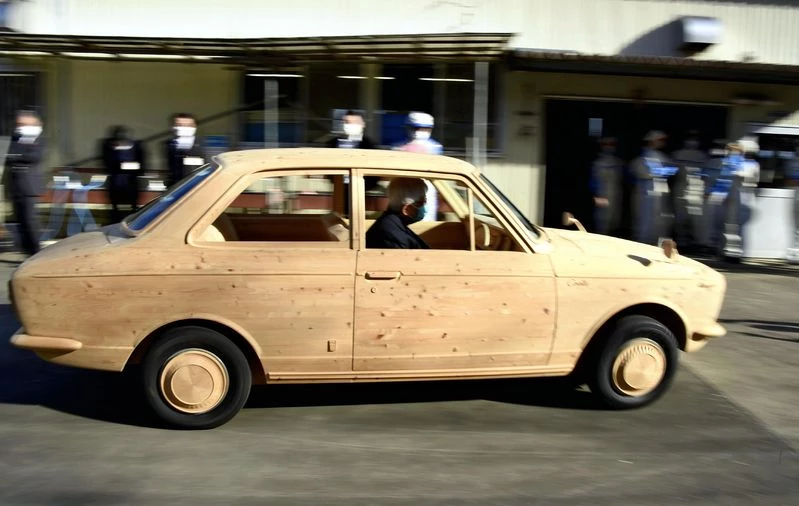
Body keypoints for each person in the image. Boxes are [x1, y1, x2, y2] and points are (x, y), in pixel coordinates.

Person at [5, 110, 46, 256]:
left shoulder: (39, 138)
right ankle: (26, 251)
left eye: (23, 123)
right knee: (21, 221)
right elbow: (8, 155)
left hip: (30, 186)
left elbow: (35, 157)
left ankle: (36, 252)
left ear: (33, 122)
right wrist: (19, 156)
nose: (19, 126)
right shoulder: (16, 137)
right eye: (18, 123)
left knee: (30, 221)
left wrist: (17, 156)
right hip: (16, 185)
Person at [631, 131, 678, 245]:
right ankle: (643, 242)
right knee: (645, 219)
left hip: (660, 189)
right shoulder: (643, 156)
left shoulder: (663, 157)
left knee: (661, 219)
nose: (662, 143)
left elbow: (674, 170)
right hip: (646, 191)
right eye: (659, 140)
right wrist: (660, 172)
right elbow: (639, 171)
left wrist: (661, 172)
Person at [395, 112, 442, 222]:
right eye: (416, 128)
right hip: (404, 190)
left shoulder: (435, 148)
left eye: (424, 128)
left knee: (426, 221)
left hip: (427, 191)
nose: (419, 132)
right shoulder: (399, 147)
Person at [365, 177, 430, 249]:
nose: (425, 206)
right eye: (422, 202)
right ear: (406, 209)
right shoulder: (391, 234)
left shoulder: (393, 224)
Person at [670, 130, 709, 250]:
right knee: (680, 216)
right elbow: (671, 171)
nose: (692, 141)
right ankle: (681, 242)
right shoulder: (677, 154)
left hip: (696, 189)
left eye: (694, 138)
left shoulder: (702, 156)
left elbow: (706, 175)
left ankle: (693, 242)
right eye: (690, 138)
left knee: (695, 218)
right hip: (681, 187)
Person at [102, 125, 146, 223]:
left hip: (131, 183)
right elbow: (107, 164)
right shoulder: (108, 146)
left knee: (133, 211)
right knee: (115, 211)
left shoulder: (136, 146)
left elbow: (141, 165)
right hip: (116, 183)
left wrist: (123, 166)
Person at [590, 136, 624, 236]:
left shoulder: (618, 162)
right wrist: (596, 195)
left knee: (614, 221)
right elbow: (593, 180)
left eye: (612, 144)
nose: (609, 147)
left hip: (616, 194)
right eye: (607, 144)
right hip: (602, 194)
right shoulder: (598, 163)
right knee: (602, 222)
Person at [165, 113, 204, 188]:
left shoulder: (202, 145)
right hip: (174, 188)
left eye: (189, 125)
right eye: (180, 125)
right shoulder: (168, 145)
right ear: (174, 127)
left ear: (195, 126)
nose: (185, 128)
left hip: (196, 186)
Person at [787, 140, 799, 264]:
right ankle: (795, 254)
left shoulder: (794, 162)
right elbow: (792, 181)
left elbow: (791, 181)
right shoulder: (794, 162)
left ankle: (795, 254)